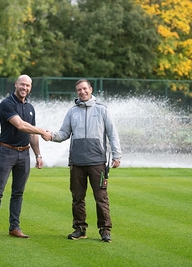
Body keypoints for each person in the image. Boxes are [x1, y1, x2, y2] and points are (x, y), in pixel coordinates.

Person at [48, 79, 121, 242]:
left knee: (101, 197)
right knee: (77, 197)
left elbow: (112, 133)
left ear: (91, 89)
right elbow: (63, 133)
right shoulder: (72, 112)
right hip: (77, 162)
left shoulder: (102, 110)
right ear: (77, 92)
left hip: (97, 162)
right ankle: (80, 229)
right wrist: (51, 136)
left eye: (84, 89)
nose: (82, 92)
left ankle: (105, 230)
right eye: (79, 90)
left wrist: (117, 155)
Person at [0, 74, 52, 240]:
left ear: (30, 88)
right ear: (16, 84)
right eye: (22, 85)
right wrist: (43, 131)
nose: (25, 88)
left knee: (18, 193)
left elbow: (31, 133)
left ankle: (14, 227)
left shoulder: (30, 107)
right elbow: (21, 125)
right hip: (7, 152)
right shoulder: (7, 104)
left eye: (28, 86)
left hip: (25, 154)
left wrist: (38, 155)